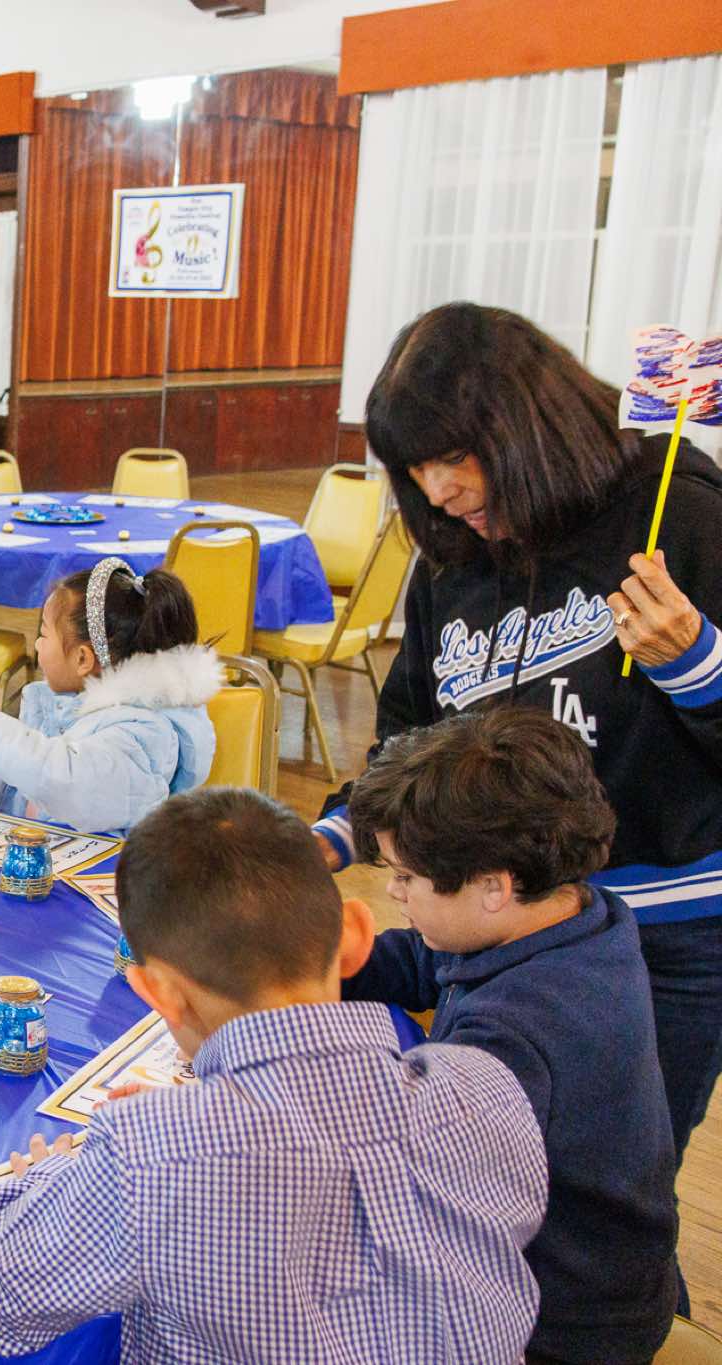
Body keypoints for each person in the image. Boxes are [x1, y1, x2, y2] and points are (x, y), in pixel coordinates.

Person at [309, 303, 722, 1167]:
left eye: (453, 457)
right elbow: (412, 731)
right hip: (489, 925)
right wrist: (341, 830)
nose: (438, 492)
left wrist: (695, 665)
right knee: (479, 1183)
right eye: (415, 467)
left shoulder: (680, 514)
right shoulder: (454, 550)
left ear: (527, 427)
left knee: (601, 1190)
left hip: (667, 941)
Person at [0, 786, 548, 1362]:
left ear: (157, 993)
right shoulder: (486, 1086)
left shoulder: (148, 1156)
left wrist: (49, 1176)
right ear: (355, 937)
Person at [342, 707, 678, 1363]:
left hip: (561, 1324)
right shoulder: (577, 917)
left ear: (493, 887)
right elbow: (429, 960)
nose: (395, 892)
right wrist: (322, 962)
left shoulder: (514, 1031)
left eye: (405, 876)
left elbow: (400, 1188)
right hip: (612, 1271)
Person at [0, 558, 217, 833]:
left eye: (44, 634)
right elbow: (35, 782)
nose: (37, 645)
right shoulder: (66, 709)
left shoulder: (142, 734)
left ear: (82, 659)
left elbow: (59, 778)